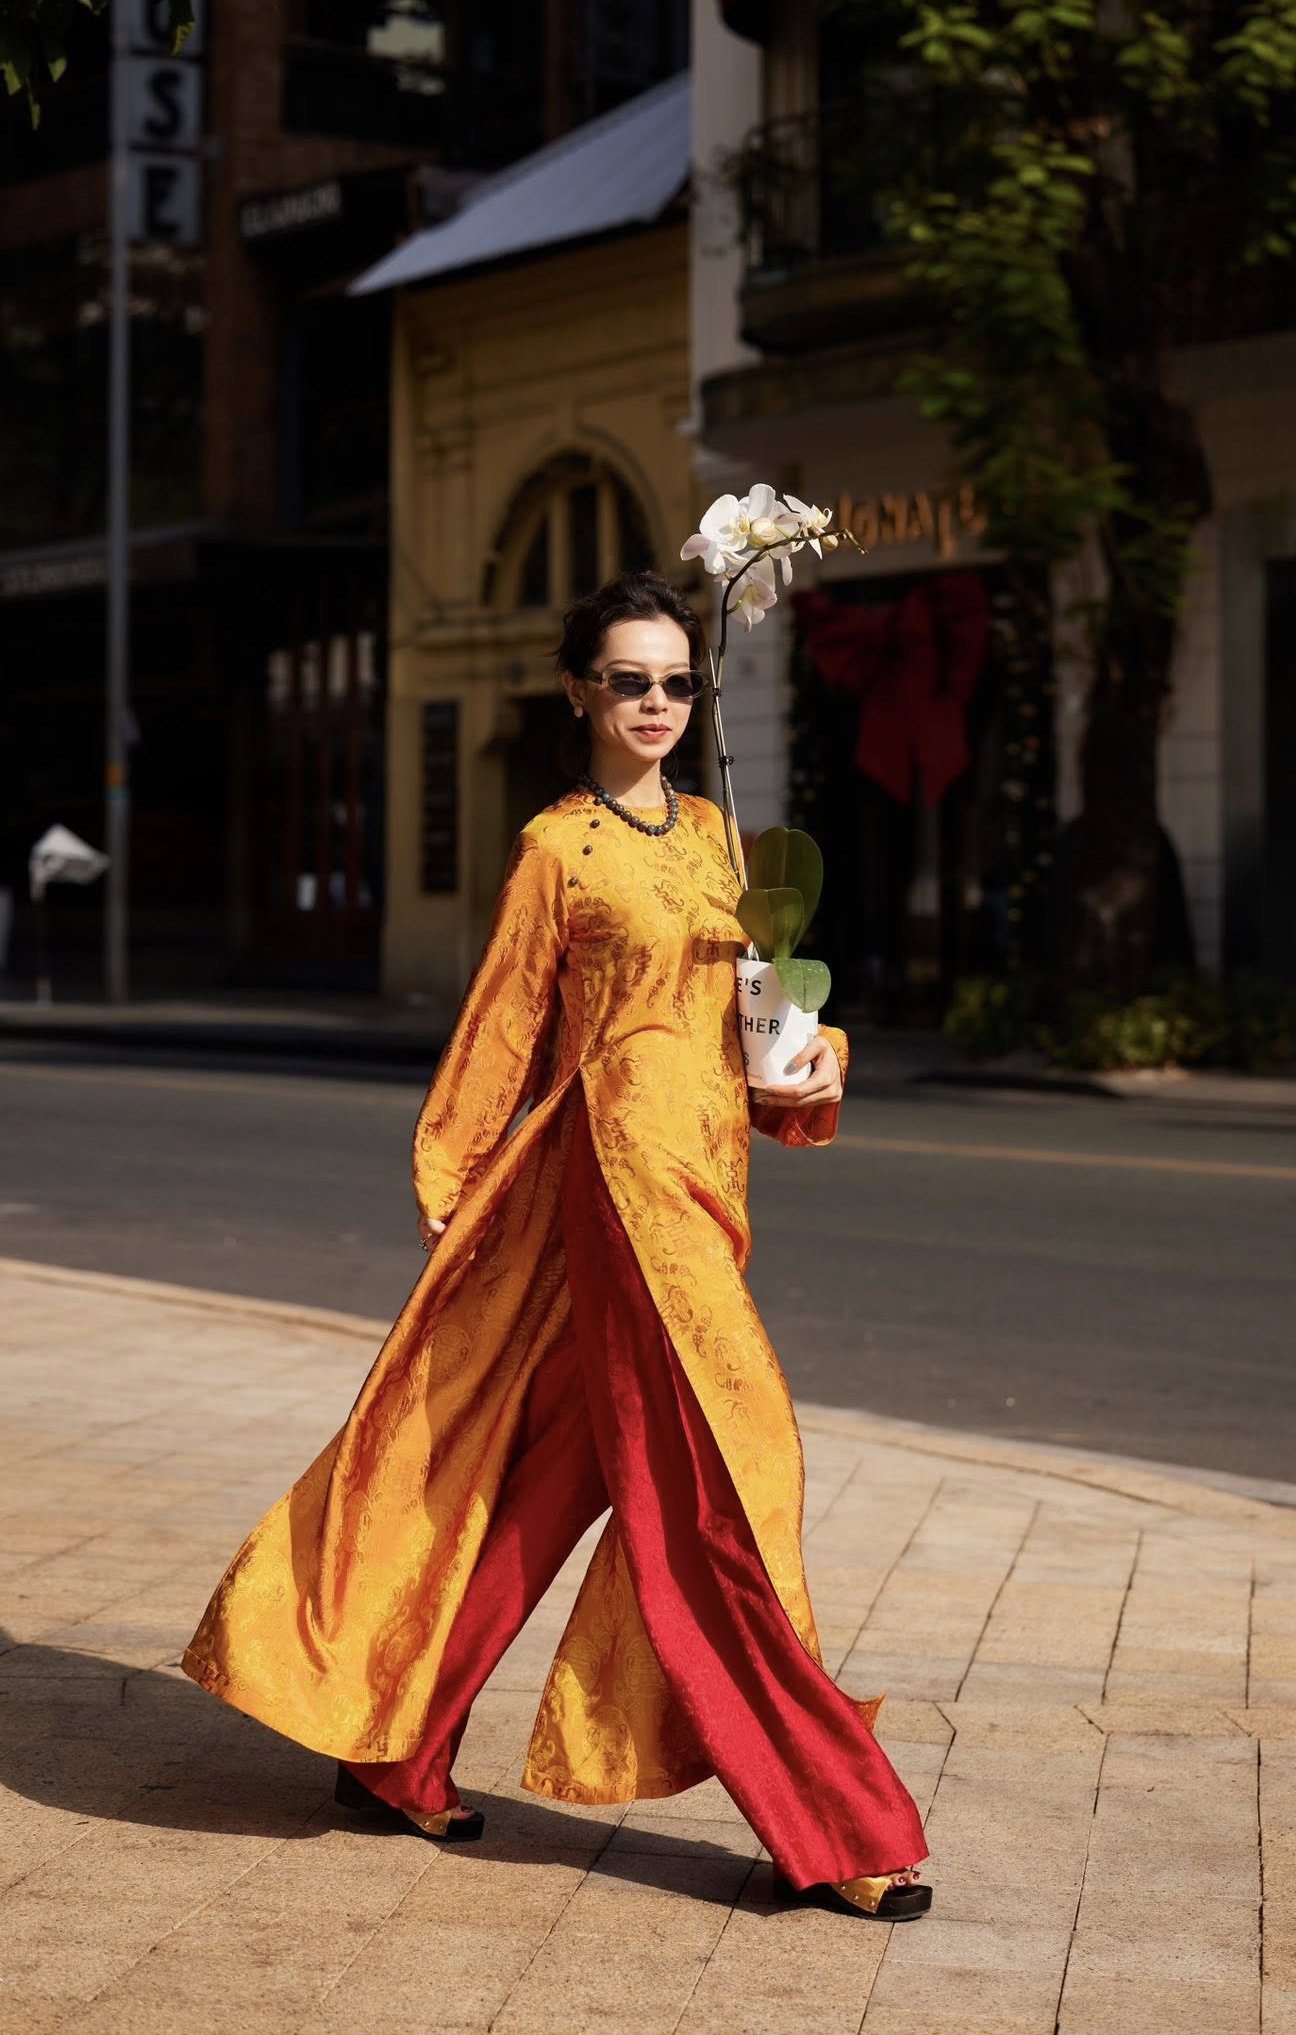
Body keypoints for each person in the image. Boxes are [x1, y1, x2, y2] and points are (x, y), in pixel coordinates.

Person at [182, 572, 931, 1923]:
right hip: (617, 1186)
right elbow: (502, 1024)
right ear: (577, 691)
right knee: (728, 1484)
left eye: (676, 683)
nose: (655, 703)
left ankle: (399, 1748)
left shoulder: (718, 837)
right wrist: (454, 1179)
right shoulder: (555, 850)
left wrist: (804, 1058)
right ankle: (832, 1822)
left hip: (705, 1189)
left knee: (553, 1484)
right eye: (629, 681)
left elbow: (742, 1041)